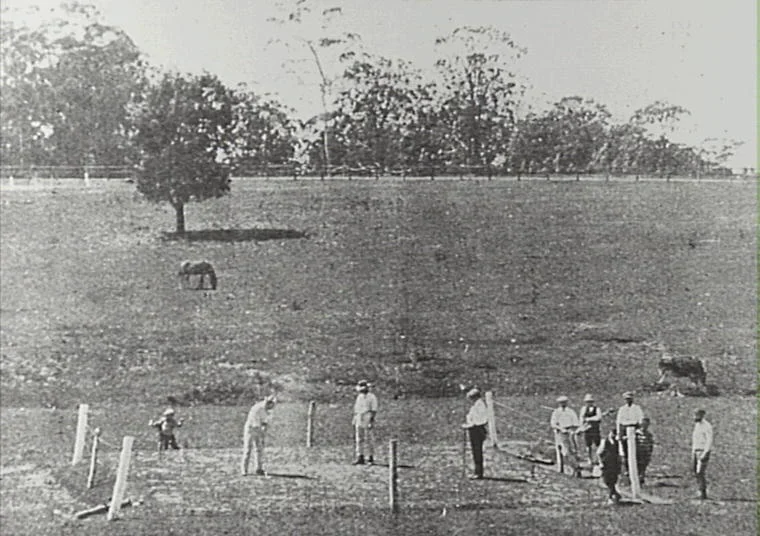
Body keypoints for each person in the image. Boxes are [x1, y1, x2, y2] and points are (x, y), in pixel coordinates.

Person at [241, 395, 276, 476]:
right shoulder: (257, 408)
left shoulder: (268, 410)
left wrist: (264, 432)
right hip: (250, 429)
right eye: (271, 405)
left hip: (258, 428)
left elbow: (265, 422)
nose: (272, 407)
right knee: (248, 449)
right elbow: (256, 424)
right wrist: (261, 433)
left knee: (259, 449)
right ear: (268, 403)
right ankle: (244, 470)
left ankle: (258, 469)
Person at [550, 395, 581, 477]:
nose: (562, 404)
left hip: (569, 432)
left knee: (568, 451)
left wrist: (571, 430)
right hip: (559, 432)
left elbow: (576, 423)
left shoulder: (571, 412)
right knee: (559, 450)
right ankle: (560, 468)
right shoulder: (556, 412)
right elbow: (553, 424)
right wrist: (560, 428)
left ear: (567, 403)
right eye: (561, 403)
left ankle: (576, 468)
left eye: (564, 403)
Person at [462, 388, 488, 479]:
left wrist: (470, 425)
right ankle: (477, 472)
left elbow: (480, 419)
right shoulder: (477, 405)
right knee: (476, 451)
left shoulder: (479, 405)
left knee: (477, 452)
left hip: (477, 430)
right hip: (475, 429)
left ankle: (478, 473)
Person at [353, 380, 378, 465]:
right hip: (359, 417)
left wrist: (371, 420)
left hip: (367, 416)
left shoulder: (372, 397)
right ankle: (360, 456)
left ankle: (370, 457)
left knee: (369, 438)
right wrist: (355, 418)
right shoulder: (359, 397)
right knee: (359, 438)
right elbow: (356, 409)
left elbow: (374, 410)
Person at [615, 391, 644, 466]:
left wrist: (639, 429)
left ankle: (636, 467)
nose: (628, 400)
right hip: (624, 430)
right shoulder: (622, 409)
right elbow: (619, 422)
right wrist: (619, 433)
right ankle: (627, 467)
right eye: (626, 399)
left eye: (629, 399)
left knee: (636, 450)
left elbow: (640, 419)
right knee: (625, 450)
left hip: (634, 429)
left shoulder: (637, 408)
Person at [691, 408, 713, 499]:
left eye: (698, 415)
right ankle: (700, 490)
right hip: (696, 451)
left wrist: (705, 452)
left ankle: (703, 492)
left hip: (702, 451)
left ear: (702, 415)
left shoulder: (707, 426)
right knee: (695, 471)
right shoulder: (697, 425)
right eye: (695, 415)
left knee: (700, 472)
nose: (696, 417)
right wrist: (693, 451)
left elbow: (709, 440)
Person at [597, 430, 622, 504]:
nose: (613, 435)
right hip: (606, 463)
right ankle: (614, 494)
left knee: (613, 480)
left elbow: (619, 453)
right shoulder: (604, 442)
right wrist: (600, 463)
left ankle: (612, 496)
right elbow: (598, 453)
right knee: (607, 480)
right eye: (612, 433)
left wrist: (619, 463)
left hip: (614, 464)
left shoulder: (616, 442)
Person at [578, 393, 602, 467]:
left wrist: (589, 419)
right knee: (588, 445)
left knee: (598, 444)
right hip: (587, 429)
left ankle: (599, 459)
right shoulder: (584, 409)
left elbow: (599, 418)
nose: (589, 403)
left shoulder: (597, 409)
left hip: (595, 429)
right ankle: (590, 459)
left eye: (590, 402)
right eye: (587, 402)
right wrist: (582, 425)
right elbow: (581, 418)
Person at [635, 417, 655, 485]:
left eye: (646, 425)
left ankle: (641, 480)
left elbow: (651, 444)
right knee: (637, 466)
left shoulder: (649, 435)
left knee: (643, 467)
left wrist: (649, 452)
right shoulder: (636, 434)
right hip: (638, 453)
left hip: (645, 453)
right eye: (643, 425)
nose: (644, 427)